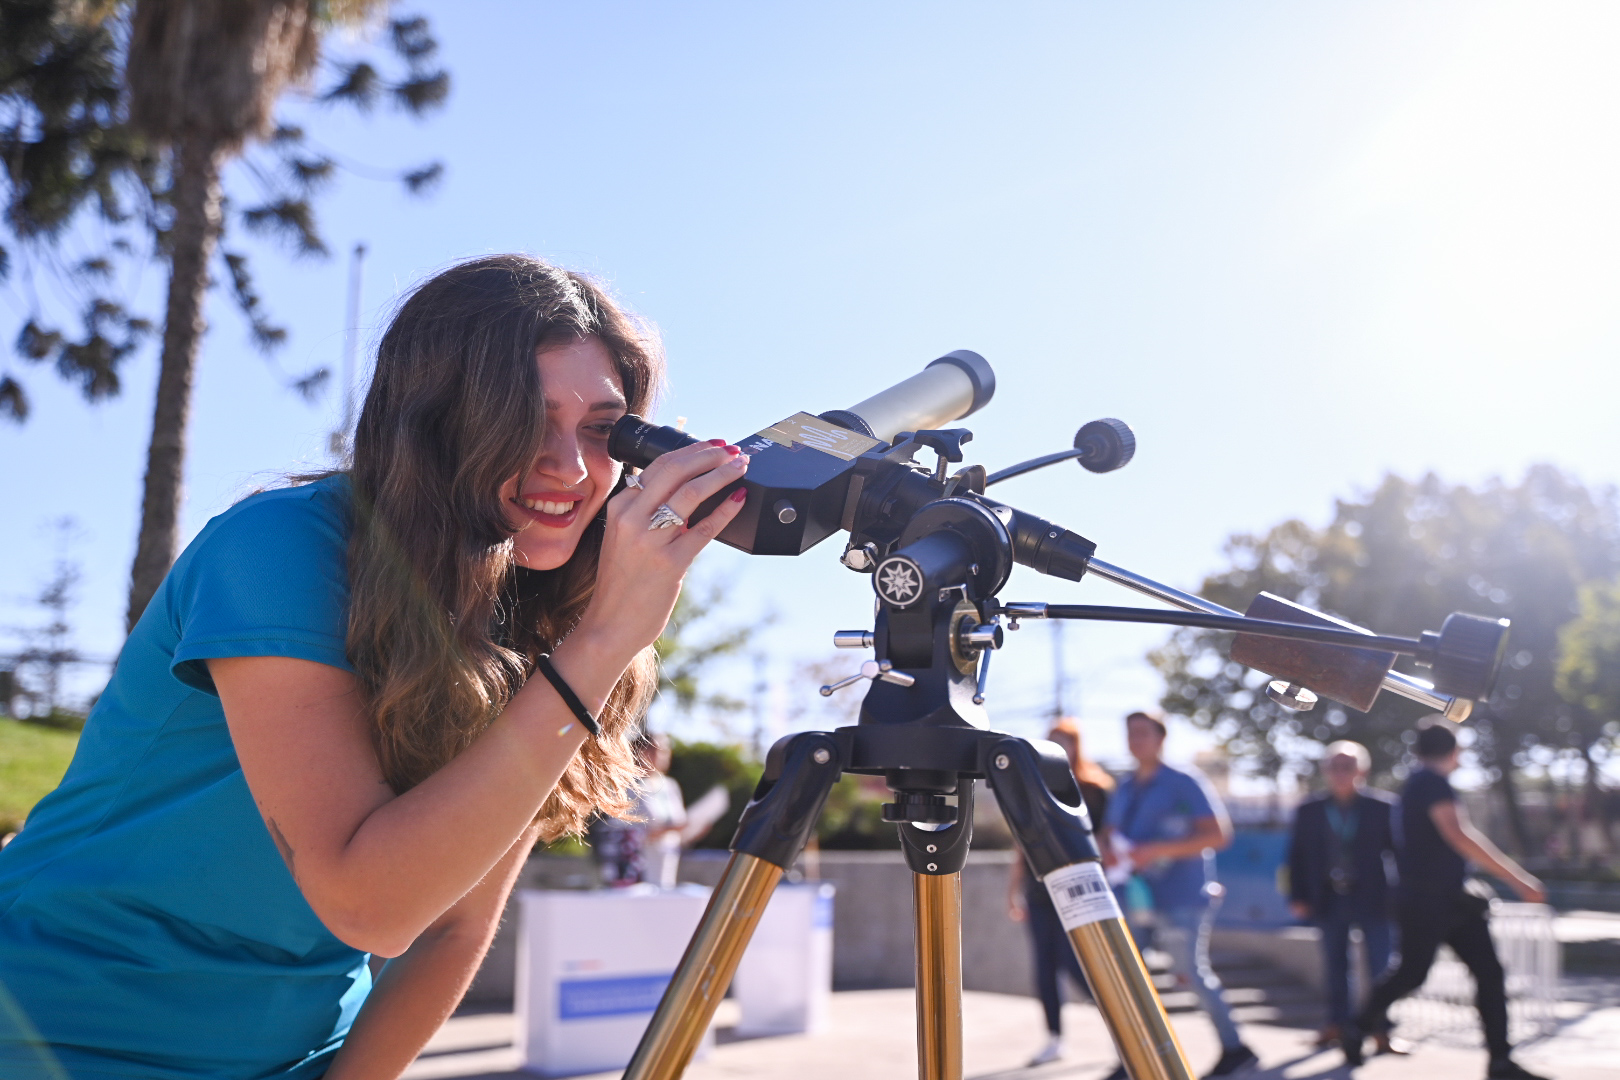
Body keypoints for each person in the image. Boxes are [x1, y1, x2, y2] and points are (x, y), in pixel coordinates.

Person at [0, 256, 752, 1079]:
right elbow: (371, 905)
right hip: (55, 1032)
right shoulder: (279, 547)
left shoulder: (544, 618)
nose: (570, 467)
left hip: (294, 1056)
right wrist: (603, 644)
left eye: (604, 430)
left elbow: (453, 928)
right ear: (432, 422)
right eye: (525, 421)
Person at [1347, 718, 1548, 1079]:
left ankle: (1500, 1061)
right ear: (1455, 752)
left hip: (1450, 901)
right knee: (1412, 974)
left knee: (1487, 973)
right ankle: (1357, 1026)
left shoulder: (1419, 784)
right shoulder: (1430, 783)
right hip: (1429, 902)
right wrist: (1519, 880)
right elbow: (1458, 835)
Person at [1104, 711, 1259, 1079]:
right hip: (1133, 896)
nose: (1136, 740)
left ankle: (1236, 1048)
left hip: (1181, 898)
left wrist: (1155, 850)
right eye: (1130, 733)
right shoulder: (1125, 787)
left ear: (1161, 738)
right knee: (1126, 978)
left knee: (1189, 973)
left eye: (1143, 732)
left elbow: (1218, 835)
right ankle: (1132, 1058)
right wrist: (1109, 850)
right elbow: (1109, 833)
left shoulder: (1184, 781)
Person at [1007, 718, 1114, 1067]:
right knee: (1044, 967)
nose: (1057, 748)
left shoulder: (1095, 789)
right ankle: (1054, 1038)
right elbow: (1023, 843)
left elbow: (1105, 840)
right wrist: (1013, 890)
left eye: (1063, 741)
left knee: (1078, 964)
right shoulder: (1035, 787)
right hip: (1040, 891)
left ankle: (1120, 1028)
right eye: (1052, 741)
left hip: (1079, 890)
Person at [1286, 741, 1400, 1053]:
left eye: (1347, 766)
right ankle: (1337, 1025)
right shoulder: (1309, 810)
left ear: (1362, 770)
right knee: (1335, 966)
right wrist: (1298, 895)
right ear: (1325, 771)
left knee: (1382, 966)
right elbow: (1296, 856)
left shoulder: (1383, 807)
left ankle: (1381, 1030)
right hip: (1328, 897)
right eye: (1334, 766)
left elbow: (1400, 853)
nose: (1340, 773)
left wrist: (1403, 897)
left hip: (1373, 898)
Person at [592, 732, 688, 888]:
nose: (662, 756)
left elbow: (679, 821)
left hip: (667, 855)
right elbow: (623, 829)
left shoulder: (670, 785)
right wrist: (663, 829)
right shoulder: (627, 786)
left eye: (664, 750)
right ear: (639, 752)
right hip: (636, 862)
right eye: (655, 750)